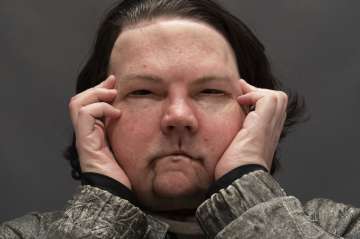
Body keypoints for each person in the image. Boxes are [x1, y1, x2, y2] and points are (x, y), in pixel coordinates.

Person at [1, 0, 360, 238]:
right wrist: (104, 211)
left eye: (210, 92)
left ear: (257, 114)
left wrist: (246, 194)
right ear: (94, 117)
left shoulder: (339, 227)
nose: (178, 116)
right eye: (143, 92)